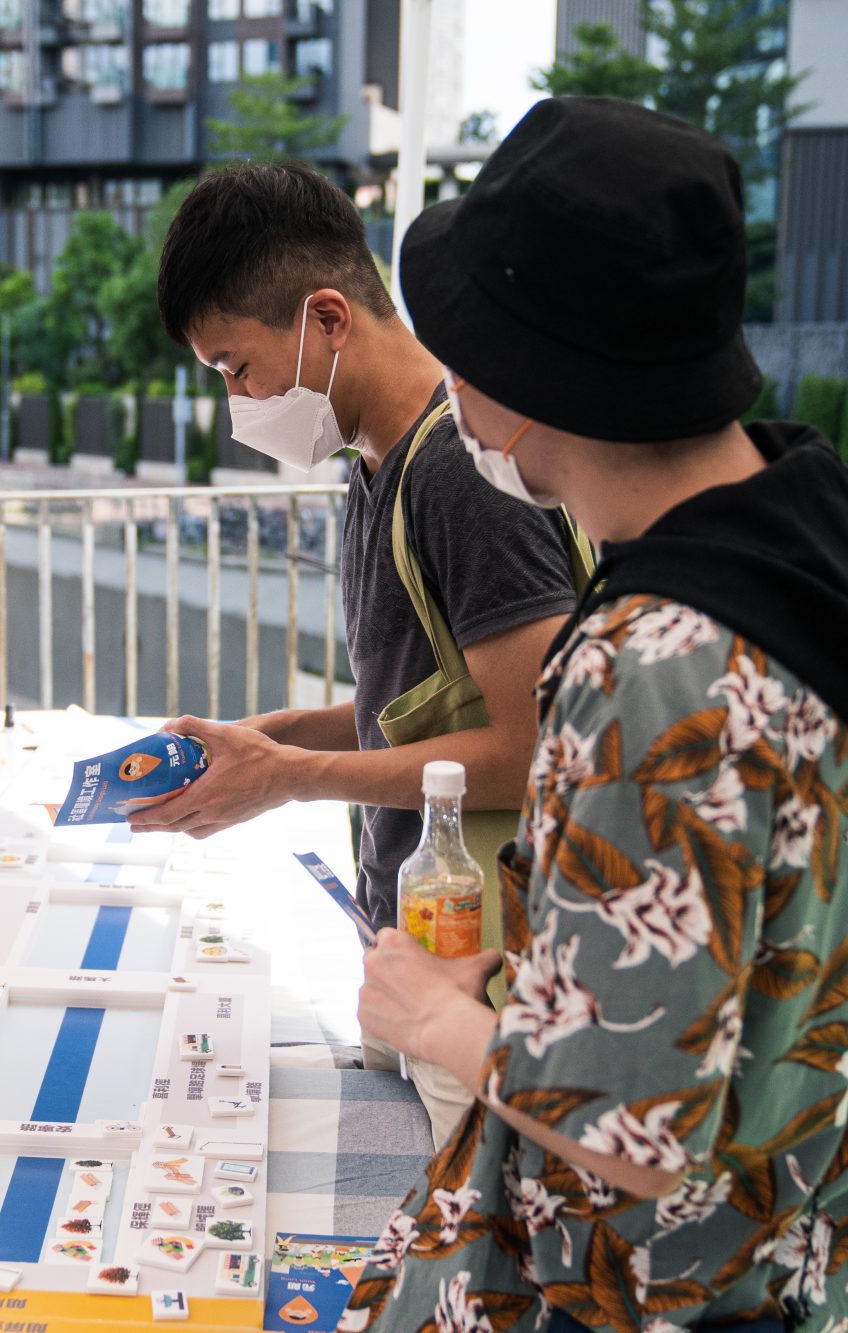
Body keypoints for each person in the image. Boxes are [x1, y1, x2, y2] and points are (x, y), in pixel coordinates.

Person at [346, 99, 848, 1333]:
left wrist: (434, 1015)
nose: (450, 391)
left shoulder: (651, 666)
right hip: (822, 1238)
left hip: (655, 1286)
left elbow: (626, 1127)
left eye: (461, 355)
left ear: (527, 380)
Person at [138, 160, 584, 1145]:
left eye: (235, 368)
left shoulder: (460, 473)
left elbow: (534, 745)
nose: (239, 400)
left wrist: (288, 777)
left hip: (485, 971)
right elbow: (426, 704)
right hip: (410, 937)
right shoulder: (377, 460)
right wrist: (269, 737)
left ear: (328, 319)